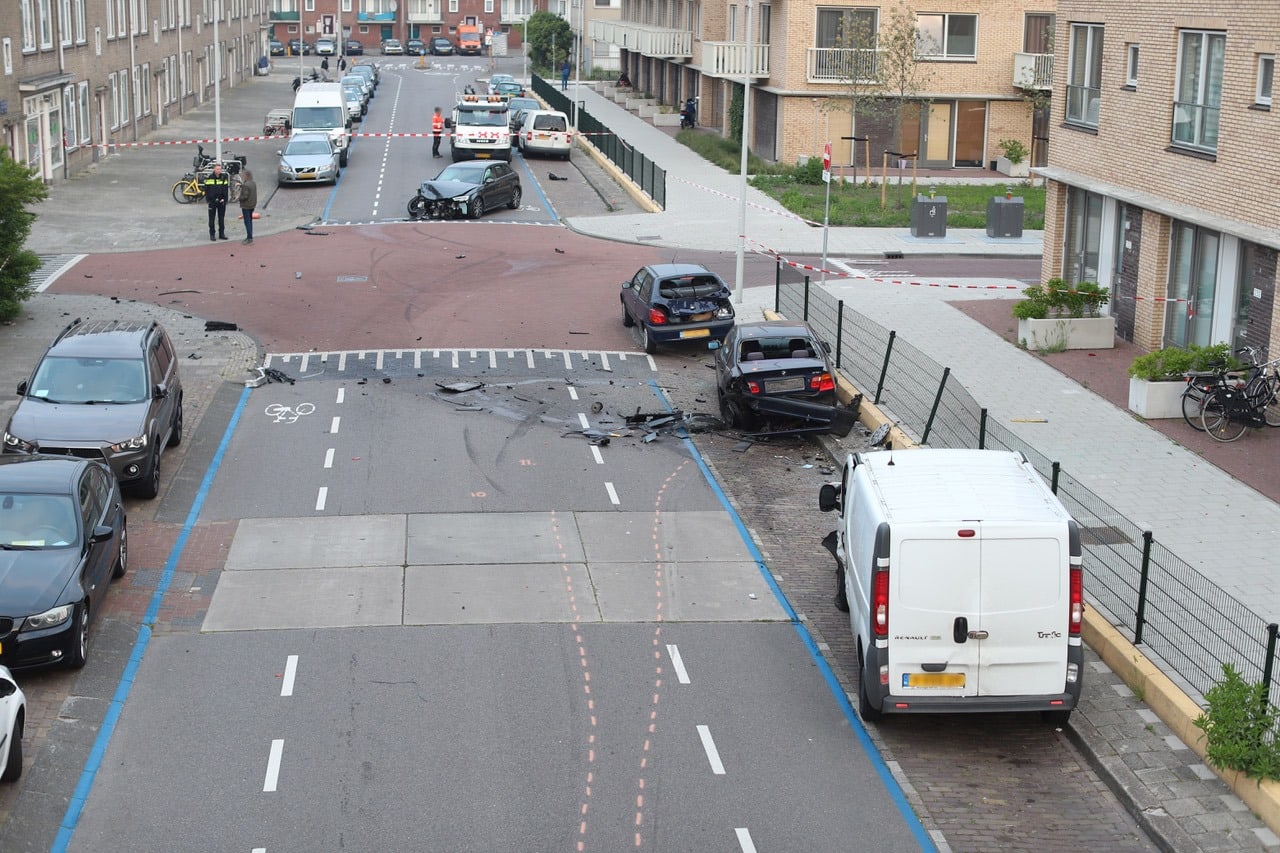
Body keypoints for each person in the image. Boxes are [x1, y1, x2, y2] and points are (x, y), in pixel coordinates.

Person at [204, 162, 230, 241]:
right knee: (211, 219)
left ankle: (221, 234)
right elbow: (206, 189)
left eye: (220, 169)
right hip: (212, 202)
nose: (219, 170)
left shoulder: (224, 177)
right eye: (217, 169)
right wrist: (209, 199)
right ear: (214, 169)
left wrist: (225, 199)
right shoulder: (210, 177)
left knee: (221, 218)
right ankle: (212, 234)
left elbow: (225, 189)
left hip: (221, 201)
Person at [238, 169, 258, 245]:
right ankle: (250, 236)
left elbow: (245, 196)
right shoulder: (253, 183)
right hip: (252, 204)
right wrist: (241, 186)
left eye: (244, 175)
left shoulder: (246, 185)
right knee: (250, 220)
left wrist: (239, 198)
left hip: (246, 205)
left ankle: (249, 237)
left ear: (246, 176)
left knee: (247, 221)